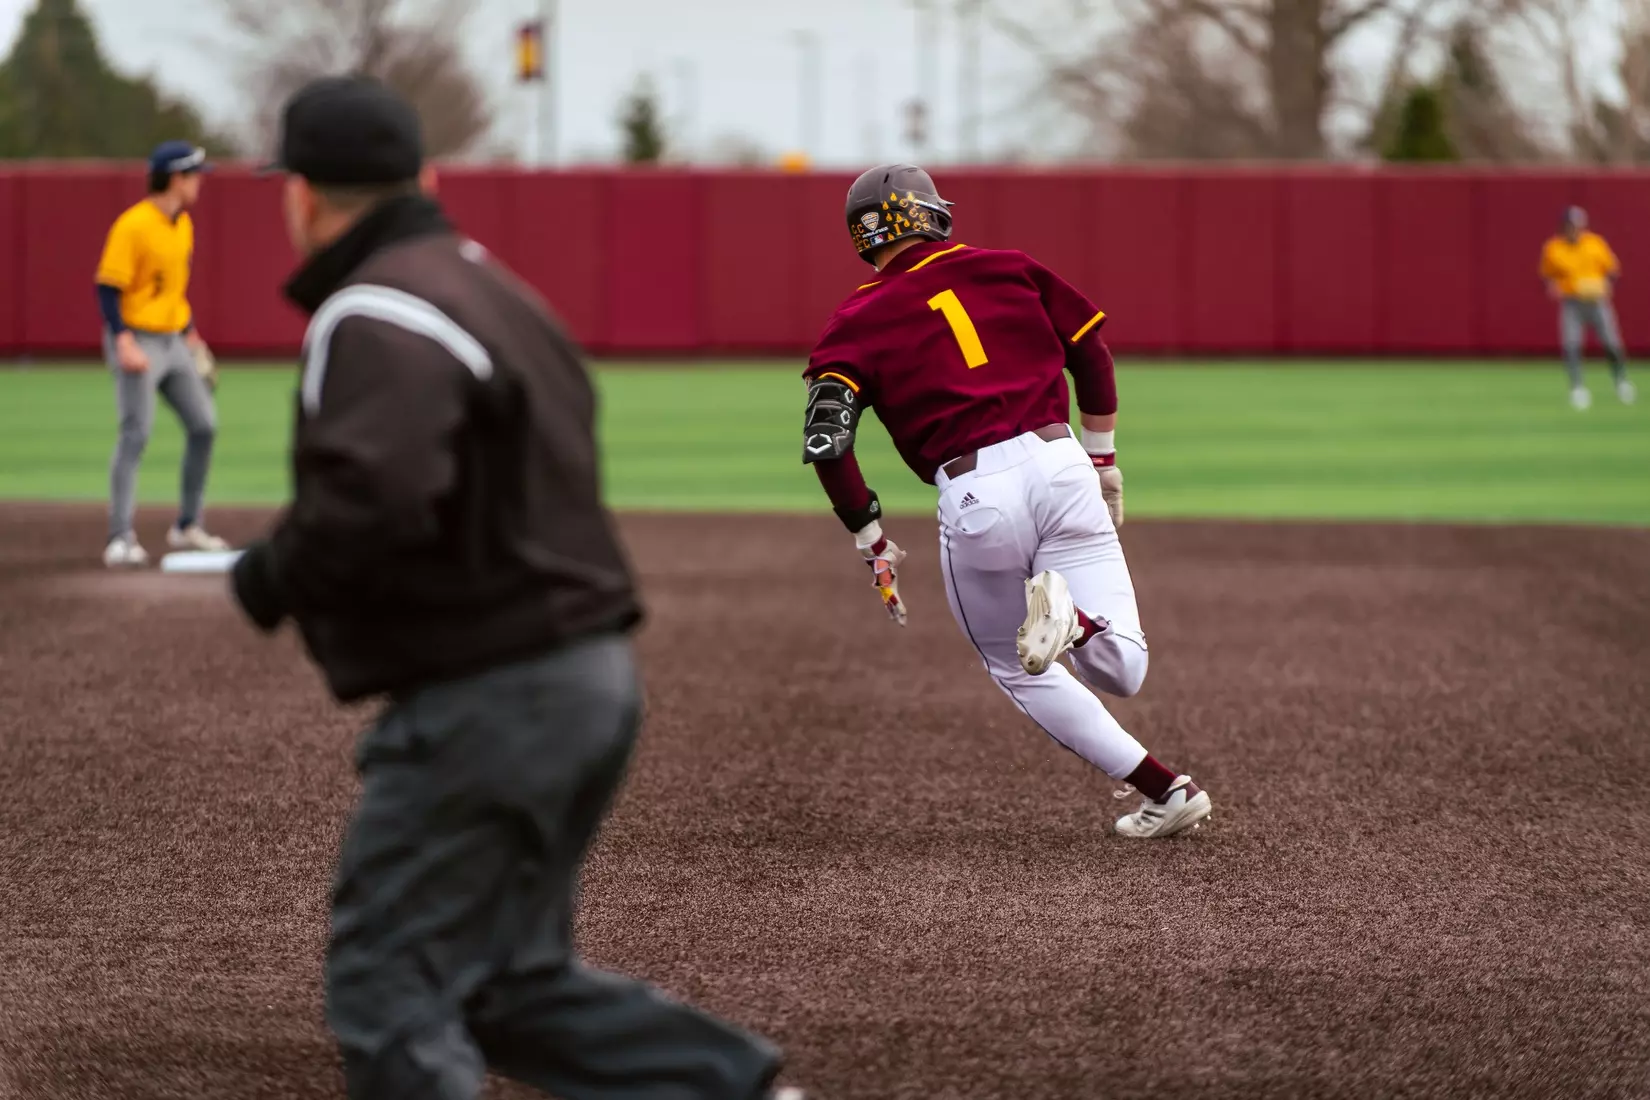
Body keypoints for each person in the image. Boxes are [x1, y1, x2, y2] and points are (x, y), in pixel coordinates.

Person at [229, 75, 799, 1100]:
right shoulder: (496, 290)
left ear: (301, 195)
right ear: (427, 178)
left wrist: (274, 573)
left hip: (493, 693)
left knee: (389, 977)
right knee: (501, 984)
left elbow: (377, 494)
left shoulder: (375, 307)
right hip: (587, 676)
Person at [802, 164, 1212, 840]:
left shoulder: (852, 320)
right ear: (928, 214)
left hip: (974, 491)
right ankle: (1080, 629)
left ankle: (1166, 789)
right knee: (1124, 668)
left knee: (1011, 665)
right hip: (1061, 463)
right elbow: (1092, 353)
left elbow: (827, 444)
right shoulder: (1007, 267)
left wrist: (871, 538)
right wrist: (1103, 457)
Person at [94, 140, 229, 567]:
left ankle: (187, 524)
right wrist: (122, 339)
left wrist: (192, 336)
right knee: (137, 433)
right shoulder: (133, 225)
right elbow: (107, 287)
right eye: (194, 177)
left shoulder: (183, 225)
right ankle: (120, 536)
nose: (199, 185)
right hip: (138, 338)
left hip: (173, 340)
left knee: (204, 425)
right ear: (175, 177)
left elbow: (171, 291)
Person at [1540, 205, 1635, 410]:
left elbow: (1612, 270)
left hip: (1597, 300)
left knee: (1611, 343)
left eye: (1577, 224)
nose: (1574, 228)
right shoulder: (1554, 247)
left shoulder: (1595, 243)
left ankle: (1621, 382)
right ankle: (1577, 388)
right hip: (1572, 301)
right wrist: (1552, 287)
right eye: (1570, 224)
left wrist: (1607, 285)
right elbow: (1546, 275)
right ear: (1563, 225)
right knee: (1572, 345)